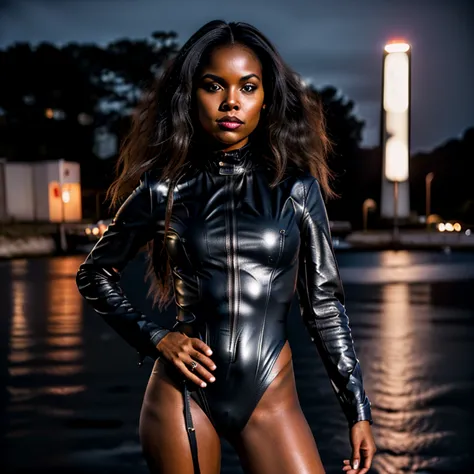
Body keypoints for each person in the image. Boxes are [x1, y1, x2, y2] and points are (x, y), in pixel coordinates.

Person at [76, 19, 376, 474]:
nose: (231, 101)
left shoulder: (296, 189)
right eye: (214, 86)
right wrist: (156, 337)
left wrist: (357, 409)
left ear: (266, 99)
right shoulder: (164, 190)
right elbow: (93, 273)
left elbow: (324, 307)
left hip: (271, 397)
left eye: (248, 87)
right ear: (191, 95)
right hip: (183, 395)